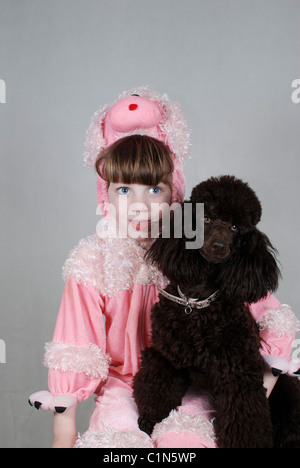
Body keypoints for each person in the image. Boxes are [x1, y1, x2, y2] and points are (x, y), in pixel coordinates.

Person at [29, 89, 299, 448]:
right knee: (116, 444)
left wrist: (265, 375)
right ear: (105, 193)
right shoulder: (93, 260)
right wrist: (64, 422)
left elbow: (262, 308)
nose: (139, 206)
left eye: (154, 189)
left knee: (183, 443)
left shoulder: (195, 241)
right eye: (124, 190)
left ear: (174, 192)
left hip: (193, 381)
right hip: (121, 385)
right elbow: (77, 340)